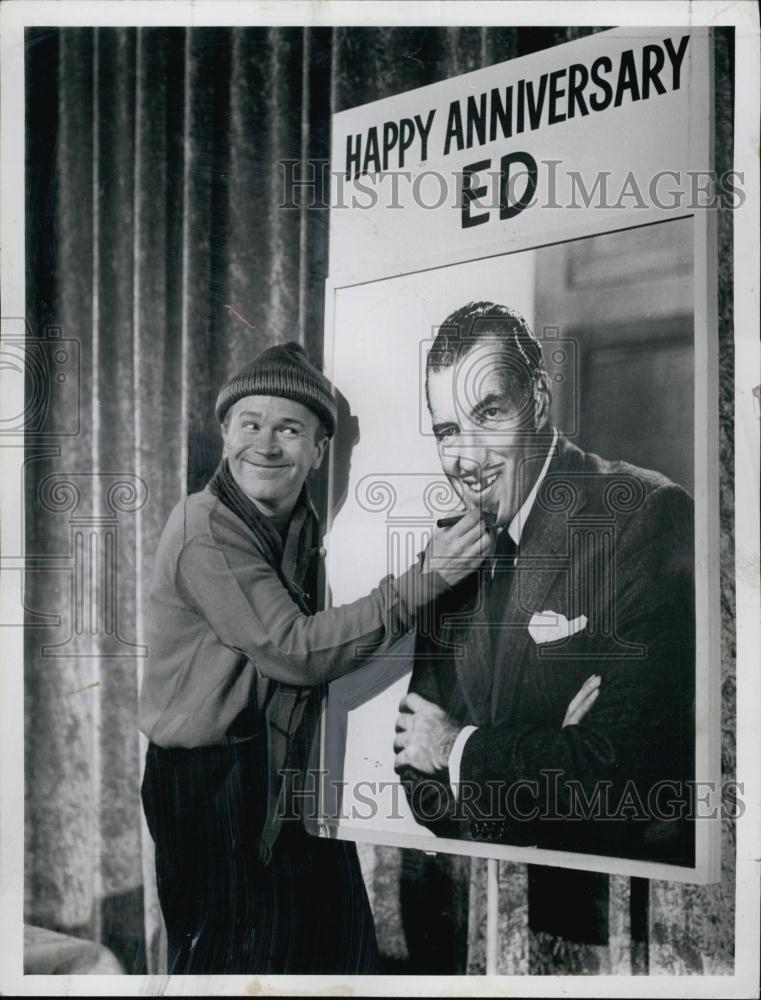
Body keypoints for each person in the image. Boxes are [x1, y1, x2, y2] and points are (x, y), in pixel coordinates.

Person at [138, 341, 491, 974]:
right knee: (232, 968)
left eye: (289, 429)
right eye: (250, 424)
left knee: (336, 950)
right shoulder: (205, 524)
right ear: (225, 435)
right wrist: (426, 580)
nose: (266, 445)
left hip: (282, 771)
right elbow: (292, 650)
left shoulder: (301, 520)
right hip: (210, 783)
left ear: (318, 451)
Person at [395, 302, 695, 865]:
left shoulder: (645, 516)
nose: (467, 457)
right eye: (447, 430)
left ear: (536, 398)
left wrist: (456, 746)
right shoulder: (450, 549)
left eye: (488, 415)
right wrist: (548, 747)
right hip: (492, 897)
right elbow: (417, 773)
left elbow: (619, 773)